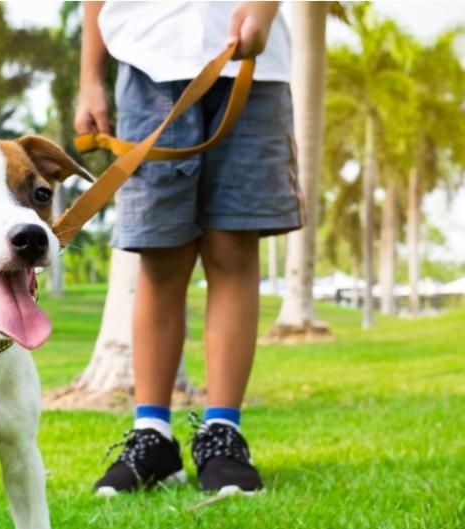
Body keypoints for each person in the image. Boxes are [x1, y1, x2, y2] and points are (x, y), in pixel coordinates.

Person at [75, 1, 302, 496]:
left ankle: (223, 433)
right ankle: (152, 435)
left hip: (251, 66)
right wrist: (90, 77)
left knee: (232, 248)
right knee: (160, 256)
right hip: (146, 58)